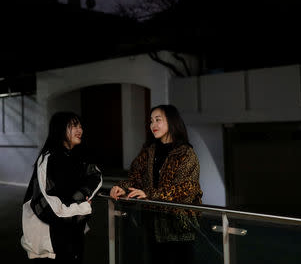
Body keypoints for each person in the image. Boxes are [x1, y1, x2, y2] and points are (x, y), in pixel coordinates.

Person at [110, 104, 202, 264]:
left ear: (172, 122)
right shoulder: (149, 151)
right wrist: (122, 186)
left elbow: (185, 190)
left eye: (158, 120)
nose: (153, 125)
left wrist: (150, 194)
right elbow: (135, 177)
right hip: (153, 226)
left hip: (178, 228)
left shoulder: (186, 153)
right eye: (151, 121)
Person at [21, 111, 102, 263]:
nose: (80, 130)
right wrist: (80, 206)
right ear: (60, 129)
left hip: (73, 233)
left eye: (80, 126)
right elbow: (44, 205)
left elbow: (95, 176)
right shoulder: (48, 159)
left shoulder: (78, 157)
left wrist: (80, 198)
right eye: (73, 126)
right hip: (50, 242)